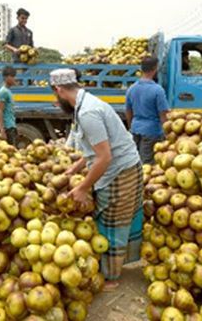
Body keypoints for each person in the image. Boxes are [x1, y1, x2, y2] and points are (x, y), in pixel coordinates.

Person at [51, 68, 142, 291]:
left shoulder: (87, 113)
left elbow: (105, 156)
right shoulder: (85, 105)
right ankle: (117, 266)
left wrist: (83, 187)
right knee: (116, 219)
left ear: (59, 90)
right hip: (122, 165)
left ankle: (112, 276)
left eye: (54, 95)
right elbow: (97, 147)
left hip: (120, 170)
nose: (56, 99)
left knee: (114, 221)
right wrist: (78, 166)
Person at [125, 57, 169, 164]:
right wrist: (167, 134)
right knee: (147, 163)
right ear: (155, 69)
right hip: (152, 131)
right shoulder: (158, 90)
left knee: (135, 160)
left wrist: (132, 126)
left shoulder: (132, 88)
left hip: (136, 128)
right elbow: (163, 114)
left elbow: (128, 111)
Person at [0, 67, 17, 145]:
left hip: (11, 125)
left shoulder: (8, 91)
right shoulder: (3, 92)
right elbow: (0, 110)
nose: (14, 79)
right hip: (7, 127)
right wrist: (2, 130)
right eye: (12, 77)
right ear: (6, 77)